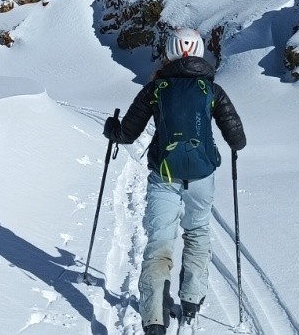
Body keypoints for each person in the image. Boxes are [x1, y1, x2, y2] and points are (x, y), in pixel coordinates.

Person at [104, 27, 246, 335]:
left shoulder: (156, 88)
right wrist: (234, 145)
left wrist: (112, 130)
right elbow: (237, 135)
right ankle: (192, 301)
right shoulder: (211, 90)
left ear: (168, 52)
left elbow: (128, 132)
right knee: (197, 232)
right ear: (200, 52)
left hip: (163, 176)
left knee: (159, 243)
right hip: (202, 176)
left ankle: (154, 318)